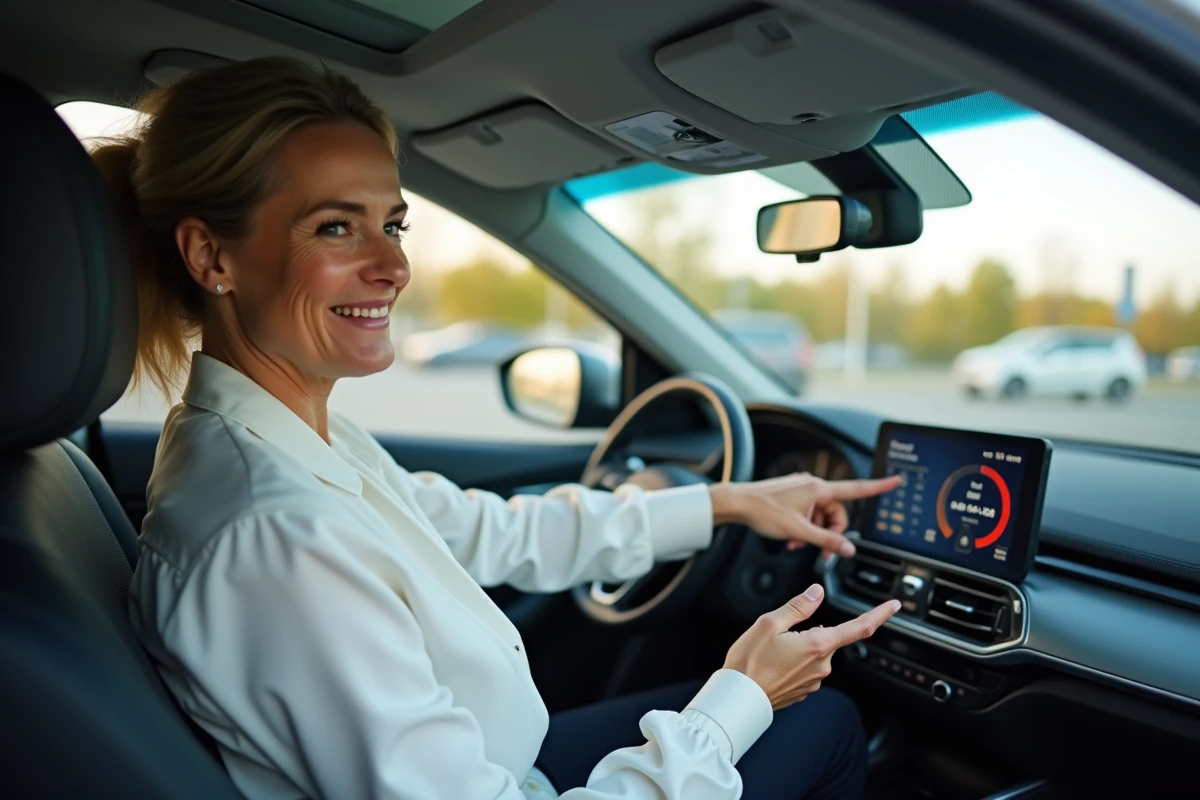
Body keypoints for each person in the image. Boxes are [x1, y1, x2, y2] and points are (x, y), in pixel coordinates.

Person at [97, 57, 901, 800]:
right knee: (822, 722)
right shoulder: (276, 536)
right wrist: (741, 698)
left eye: (394, 224)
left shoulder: (285, 441)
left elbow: (485, 532)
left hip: (504, 762)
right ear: (212, 257)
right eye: (336, 227)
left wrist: (726, 504)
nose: (393, 266)